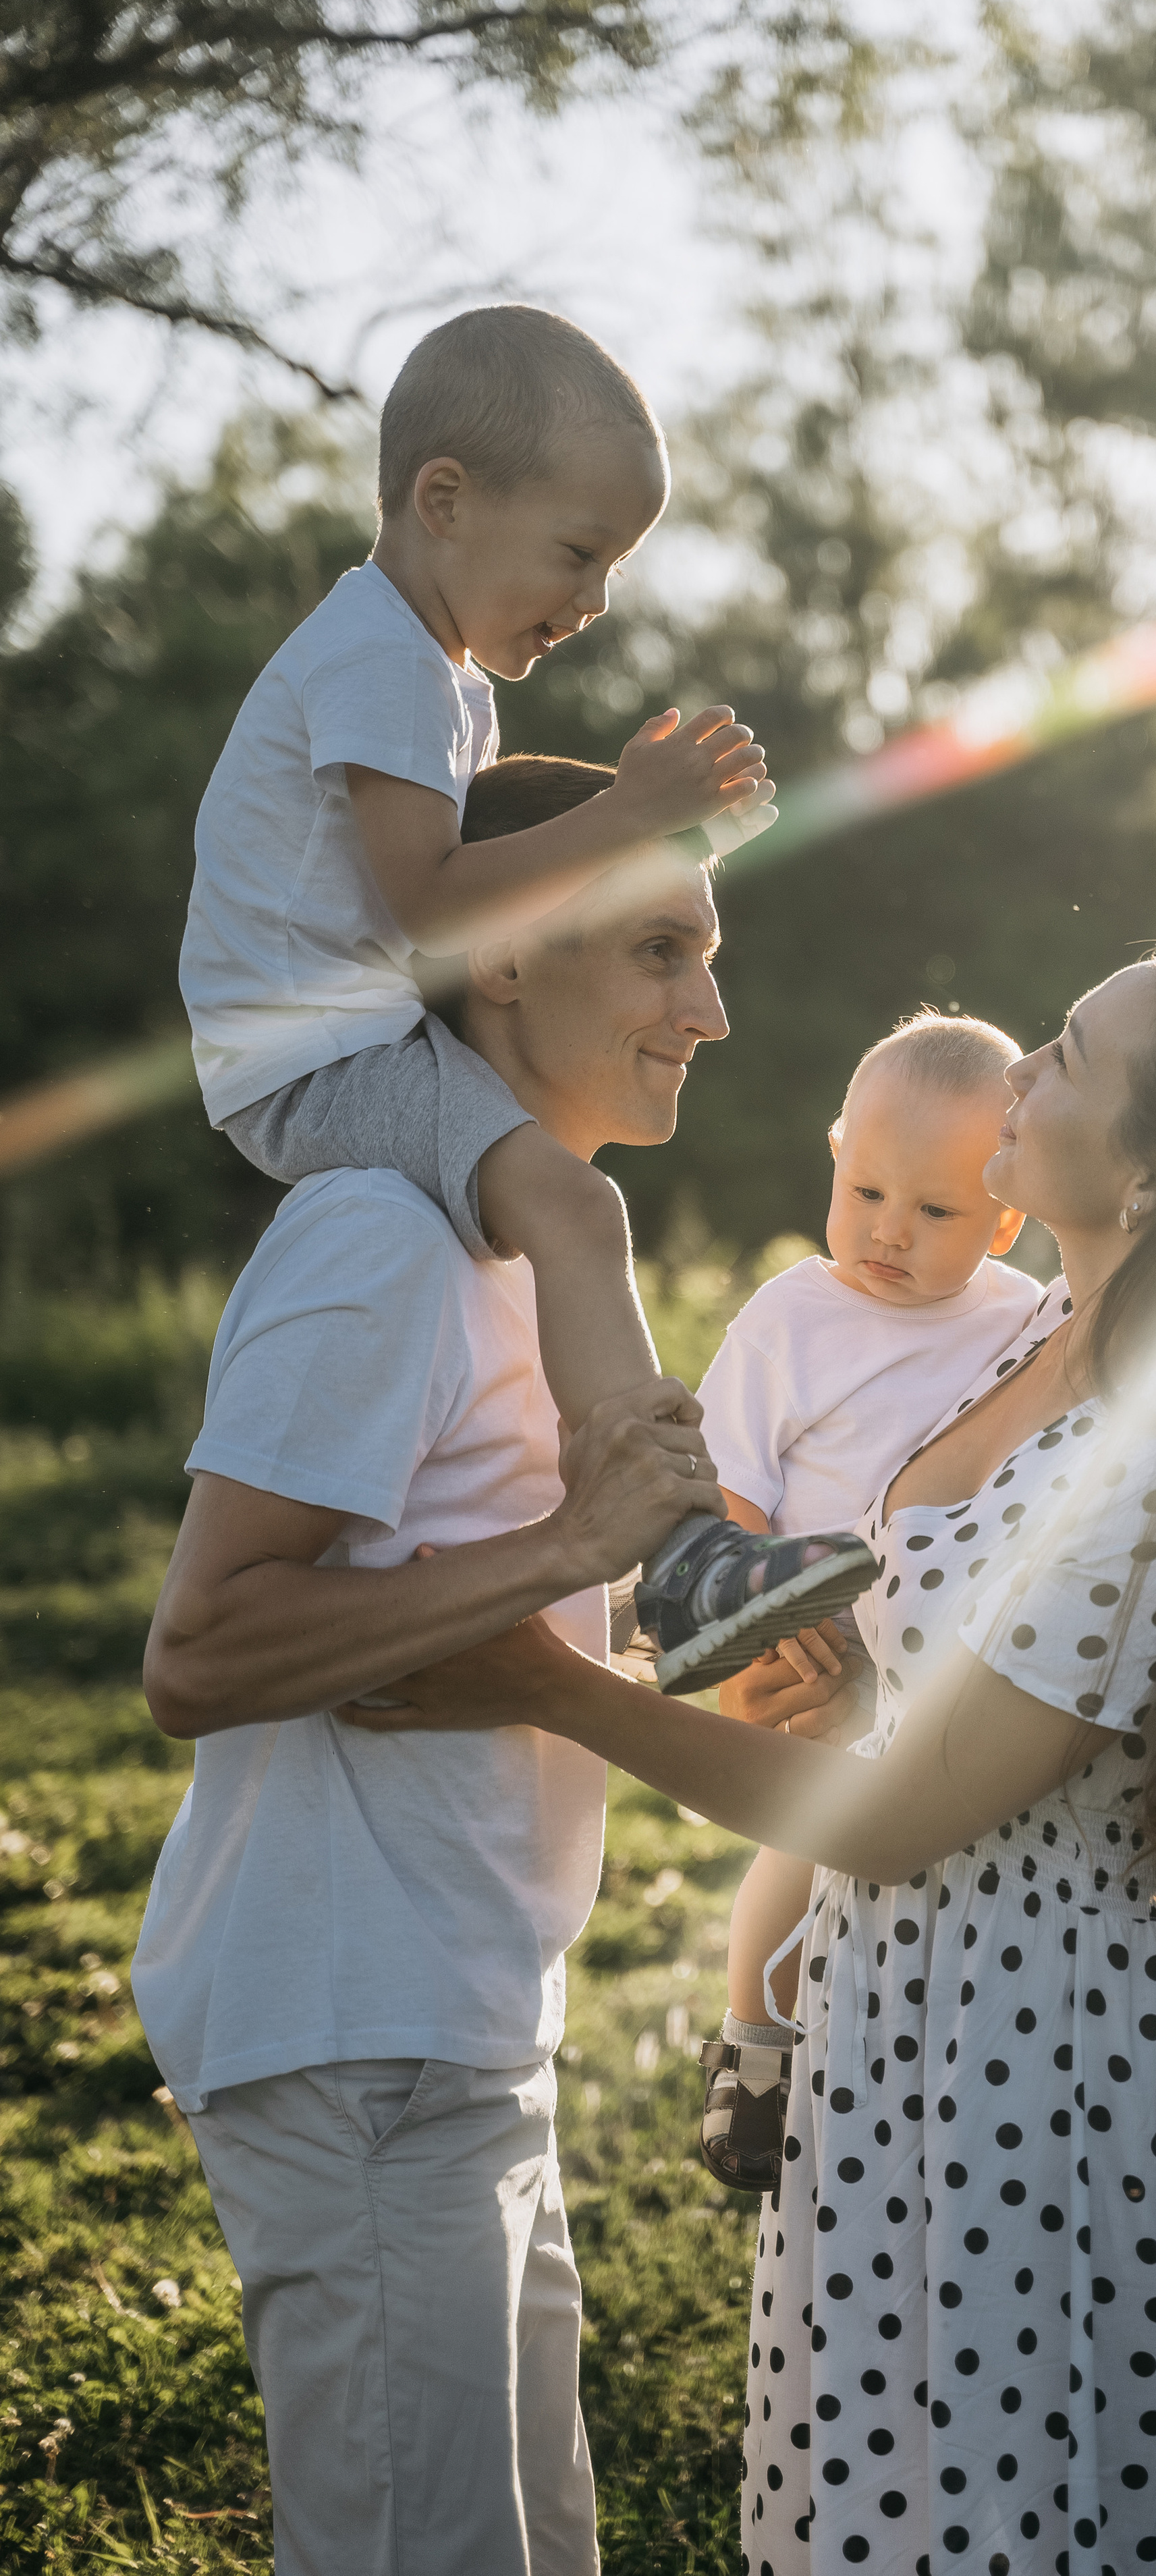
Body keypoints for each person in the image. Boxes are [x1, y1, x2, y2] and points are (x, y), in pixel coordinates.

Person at [344, 918, 1156, 2574]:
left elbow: (904, 1822)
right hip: (895, 2015)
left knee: (991, 2509)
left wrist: (556, 1690)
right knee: (895, 2491)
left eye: (1070, 1050)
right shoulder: (1024, 1338)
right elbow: (917, 1720)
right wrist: (838, 1682)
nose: (1026, 1064)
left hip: (1027, 2056)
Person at [136, 787, 753, 2576]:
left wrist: (687, 1638)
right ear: (496, 951)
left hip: (465, 2017)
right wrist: (568, 1557)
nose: (708, 1012)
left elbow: (467, 1616)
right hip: (358, 2026)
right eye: (661, 948)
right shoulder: (379, 1242)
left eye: (711, 960)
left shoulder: (518, 1267)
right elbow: (200, 1651)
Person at [177, 300, 875, 1691]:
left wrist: (649, 833)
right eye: (577, 551)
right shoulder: (381, 655)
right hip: (317, 1059)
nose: (594, 597)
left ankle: (663, 1554)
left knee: (556, 1207)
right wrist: (625, 812)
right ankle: (678, 1556)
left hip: (340, 1040)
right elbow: (440, 903)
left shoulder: (437, 680)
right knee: (573, 1204)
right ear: (444, 500)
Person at [693, 1009, 1043, 2188]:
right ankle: (756, 2043)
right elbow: (729, 1491)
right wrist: (758, 1628)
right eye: (866, 1190)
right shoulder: (793, 1316)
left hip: (949, 1655)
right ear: (834, 1153)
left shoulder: (1027, 1322)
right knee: (806, 1845)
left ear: (1007, 1218)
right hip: (814, 1643)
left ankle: (904, 2071)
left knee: (919, 1868)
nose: (889, 1233)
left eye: (935, 1212)